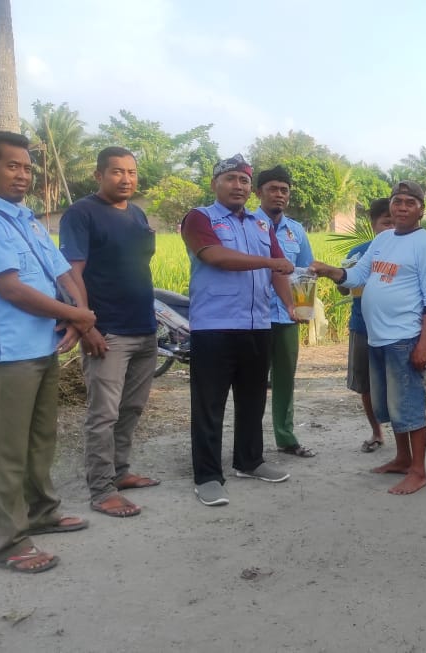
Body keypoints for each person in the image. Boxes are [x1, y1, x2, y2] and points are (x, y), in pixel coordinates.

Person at [0, 131, 95, 573]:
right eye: (12, 166)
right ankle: (10, 543)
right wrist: (77, 316)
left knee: (41, 438)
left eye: (27, 167)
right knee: (9, 449)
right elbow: (11, 289)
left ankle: (42, 513)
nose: (22, 175)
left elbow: (63, 273)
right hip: (9, 350)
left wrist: (78, 316)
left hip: (43, 344)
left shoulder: (28, 220)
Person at [310, 181, 426, 495]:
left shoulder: (425, 245)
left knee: (408, 404)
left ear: (421, 209)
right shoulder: (383, 239)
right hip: (376, 336)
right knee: (390, 405)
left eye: (410, 202)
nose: (402, 207)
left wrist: (424, 344)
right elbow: (358, 275)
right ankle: (402, 458)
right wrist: (329, 270)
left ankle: (419, 471)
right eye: (398, 201)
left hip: (405, 337)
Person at [181, 154, 297, 507]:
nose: (238, 186)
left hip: (257, 325)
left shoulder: (260, 225)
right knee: (209, 405)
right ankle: (207, 476)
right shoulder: (200, 218)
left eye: (244, 180)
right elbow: (214, 256)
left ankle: (249, 461)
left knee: (252, 399)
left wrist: (290, 306)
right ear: (215, 184)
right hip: (214, 327)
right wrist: (269, 261)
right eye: (230, 179)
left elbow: (278, 271)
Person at [59, 146, 159, 520]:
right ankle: (101, 489)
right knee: (103, 414)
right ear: (98, 175)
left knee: (131, 408)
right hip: (108, 331)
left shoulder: (137, 214)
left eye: (131, 172)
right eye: (117, 172)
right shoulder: (81, 213)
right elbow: (72, 273)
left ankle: (119, 471)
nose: (126, 179)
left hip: (144, 326)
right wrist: (87, 325)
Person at [252, 165, 316, 459]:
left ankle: (286, 438)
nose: (279, 194)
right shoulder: (247, 224)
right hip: (254, 318)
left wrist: (304, 309)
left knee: (285, 380)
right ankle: (250, 443)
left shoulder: (296, 231)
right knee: (252, 382)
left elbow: (305, 273)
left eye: (284, 190)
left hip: (287, 318)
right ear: (259, 192)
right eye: (273, 189)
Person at [347, 199, 397, 452]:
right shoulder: (359, 253)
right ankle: (377, 432)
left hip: (399, 331)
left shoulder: (410, 252)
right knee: (366, 384)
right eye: (386, 222)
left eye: (395, 222)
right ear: (373, 224)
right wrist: (341, 276)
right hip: (363, 328)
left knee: (406, 383)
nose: (391, 228)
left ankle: (421, 432)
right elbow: (346, 285)